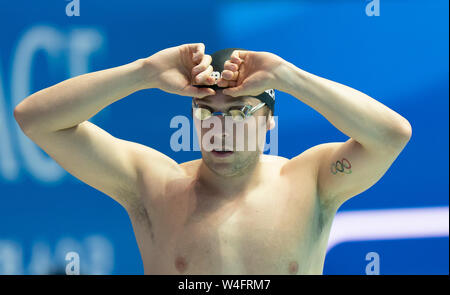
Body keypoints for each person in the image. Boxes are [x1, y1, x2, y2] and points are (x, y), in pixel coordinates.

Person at [13, 43, 412, 274]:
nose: (220, 127)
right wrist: (143, 72)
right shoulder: (155, 185)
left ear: (269, 120)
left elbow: (391, 136)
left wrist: (290, 78)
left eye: (239, 111)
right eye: (207, 112)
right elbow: (35, 119)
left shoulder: (311, 182)